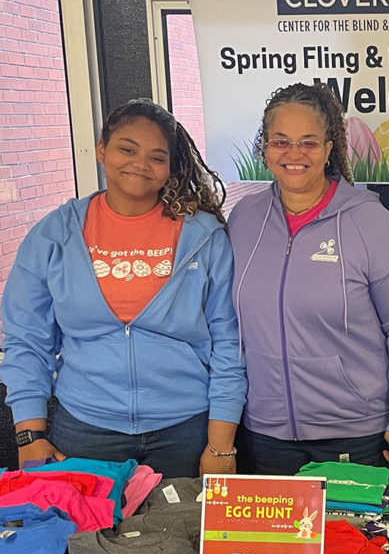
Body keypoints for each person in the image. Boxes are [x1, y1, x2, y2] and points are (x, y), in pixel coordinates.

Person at [1, 99, 247, 477]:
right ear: (102, 149)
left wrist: (221, 445)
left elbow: (229, 342)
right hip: (85, 429)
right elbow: (27, 340)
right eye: (127, 149)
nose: (140, 164)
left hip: (186, 430)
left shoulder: (204, 236)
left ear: (170, 167)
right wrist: (28, 434)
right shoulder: (56, 234)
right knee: (85, 537)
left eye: (156, 157)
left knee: (184, 537)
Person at [228, 82, 389, 475]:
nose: (294, 154)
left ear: (329, 149)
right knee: (279, 540)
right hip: (267, 435)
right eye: (281, 142)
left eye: (309, 142)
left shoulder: (369, 221)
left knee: (352, 538)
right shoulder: (244, 219)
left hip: (354, 432)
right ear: (264, 147)